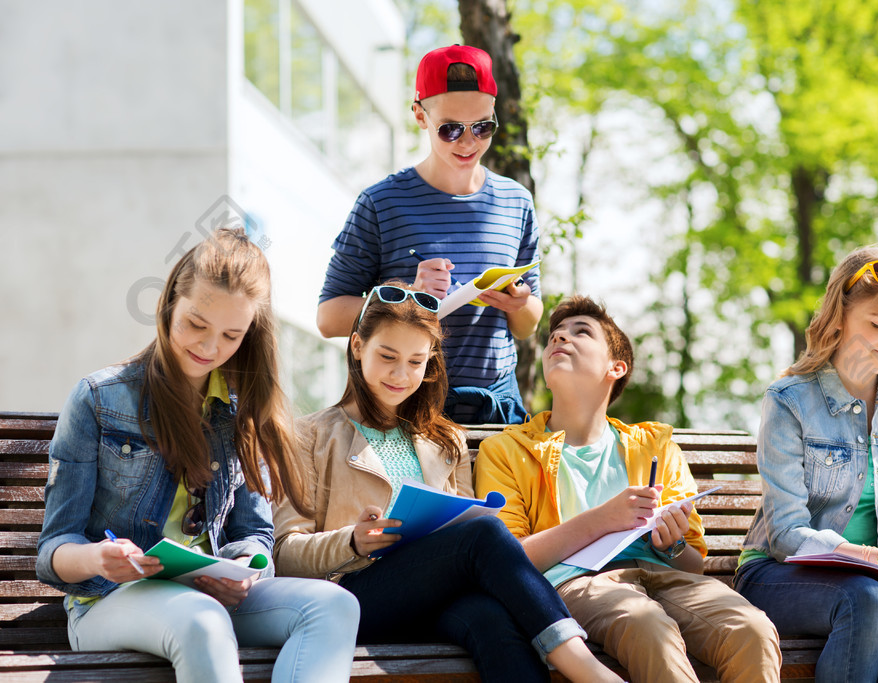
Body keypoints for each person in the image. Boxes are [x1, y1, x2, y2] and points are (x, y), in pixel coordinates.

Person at [36, 229, 360, 683]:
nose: (209, 348)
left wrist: (246, 571)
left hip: (204, 599)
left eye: (231, 335)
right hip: (110, 601)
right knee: (202, 619)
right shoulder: (98, 399)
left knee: (334, 605)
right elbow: (53, 548)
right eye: (196, 324)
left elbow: (254, 533)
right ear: (170, 303)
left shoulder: (241, 408)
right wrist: (97, 558)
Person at [273, 283, 621, 683]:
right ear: (356, 346)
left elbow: (465, 529)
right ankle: (588, 670)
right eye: (388, 356)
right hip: (353, 597)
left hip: (434, 598)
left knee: (490, 618)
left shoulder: (445, 440)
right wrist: (352, 540)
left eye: (416, 362)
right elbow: (284, 553)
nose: (401, 375)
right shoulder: (308, 436)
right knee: (485, 534)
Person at [475, 295, 782, 683]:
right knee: (647, 625)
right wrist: (603, 520)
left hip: (664, 575)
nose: (559, 339)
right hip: (577, 583)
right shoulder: (507, 449)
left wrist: (668, 543)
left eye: (579, 332)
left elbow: (692, 564)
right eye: (554, 335)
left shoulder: (654, 446)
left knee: (752, 630)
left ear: (615, 367)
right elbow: (510, 561)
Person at [733, 245, 878, 683]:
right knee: (866, 599)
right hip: (778, 574)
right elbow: (785, 535)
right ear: (839, 316)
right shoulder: (790, 401)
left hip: (877, 579)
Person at [316, 44, 542, 425]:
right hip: (403, 409)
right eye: (450, 129)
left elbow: (528, 323)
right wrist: (407, 297)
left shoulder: (515, 201)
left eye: (483, 126)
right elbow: (329, 318)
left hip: (497, 413)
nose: (468, 142)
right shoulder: (381, 202)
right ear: (420, 116)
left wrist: (518, 304)